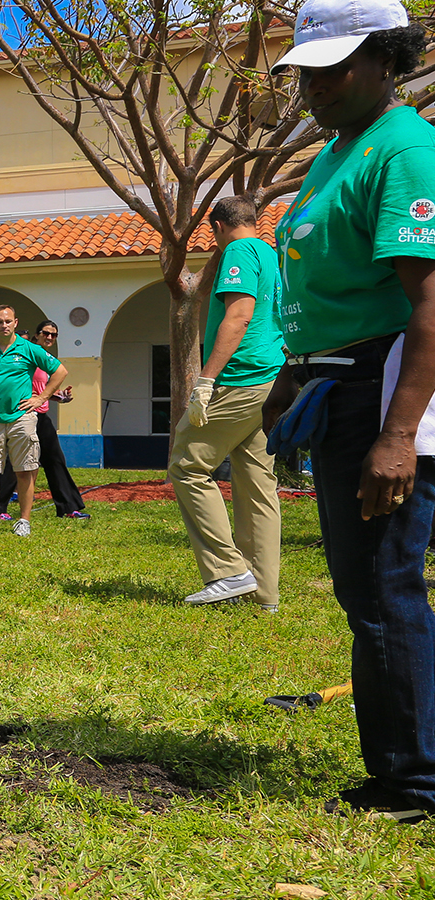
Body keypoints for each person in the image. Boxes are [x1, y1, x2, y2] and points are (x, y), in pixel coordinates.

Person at [263, 0, 435, 823]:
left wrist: (398, 433)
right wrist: (291, 378)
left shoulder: (403, 149)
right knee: (361, 590)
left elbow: (430, 303)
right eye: (306, 71)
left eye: (335, 68)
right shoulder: (335, 151)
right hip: (333, 384)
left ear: (387, 58)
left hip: (383, 387)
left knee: (385, 589)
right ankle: (397, 766)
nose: (315, 87)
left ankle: (416, 781)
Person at [169, 196, 284, 610]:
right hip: (269, 380)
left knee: (187, 465)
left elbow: (239, 317)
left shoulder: (237, 250)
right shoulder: (271, 254)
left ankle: (227, 572)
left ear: (216, 227)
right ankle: (263, 594)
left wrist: (206, 379)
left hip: (239, 380)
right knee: (257, 487)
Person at [0, 305, 68, 537]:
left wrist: (42, 398)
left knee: (25, 470)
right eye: (0, 321)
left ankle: (24, 521)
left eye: (8, 321)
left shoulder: (28, 348)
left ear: (15, 323)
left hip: (22, 418)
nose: (4, 325)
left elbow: (60, 371)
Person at [0, 320, 89, 519]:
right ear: (37, 335)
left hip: (42, 417)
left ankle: (68, 507)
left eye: (54, 335)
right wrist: (39, 398)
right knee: (14, 465)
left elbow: (41, 388)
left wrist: (56, 396)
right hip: (24, 416)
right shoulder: (28, 353)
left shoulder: (45, 360)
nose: (49, 338)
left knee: (55, 460)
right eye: (46, 333)